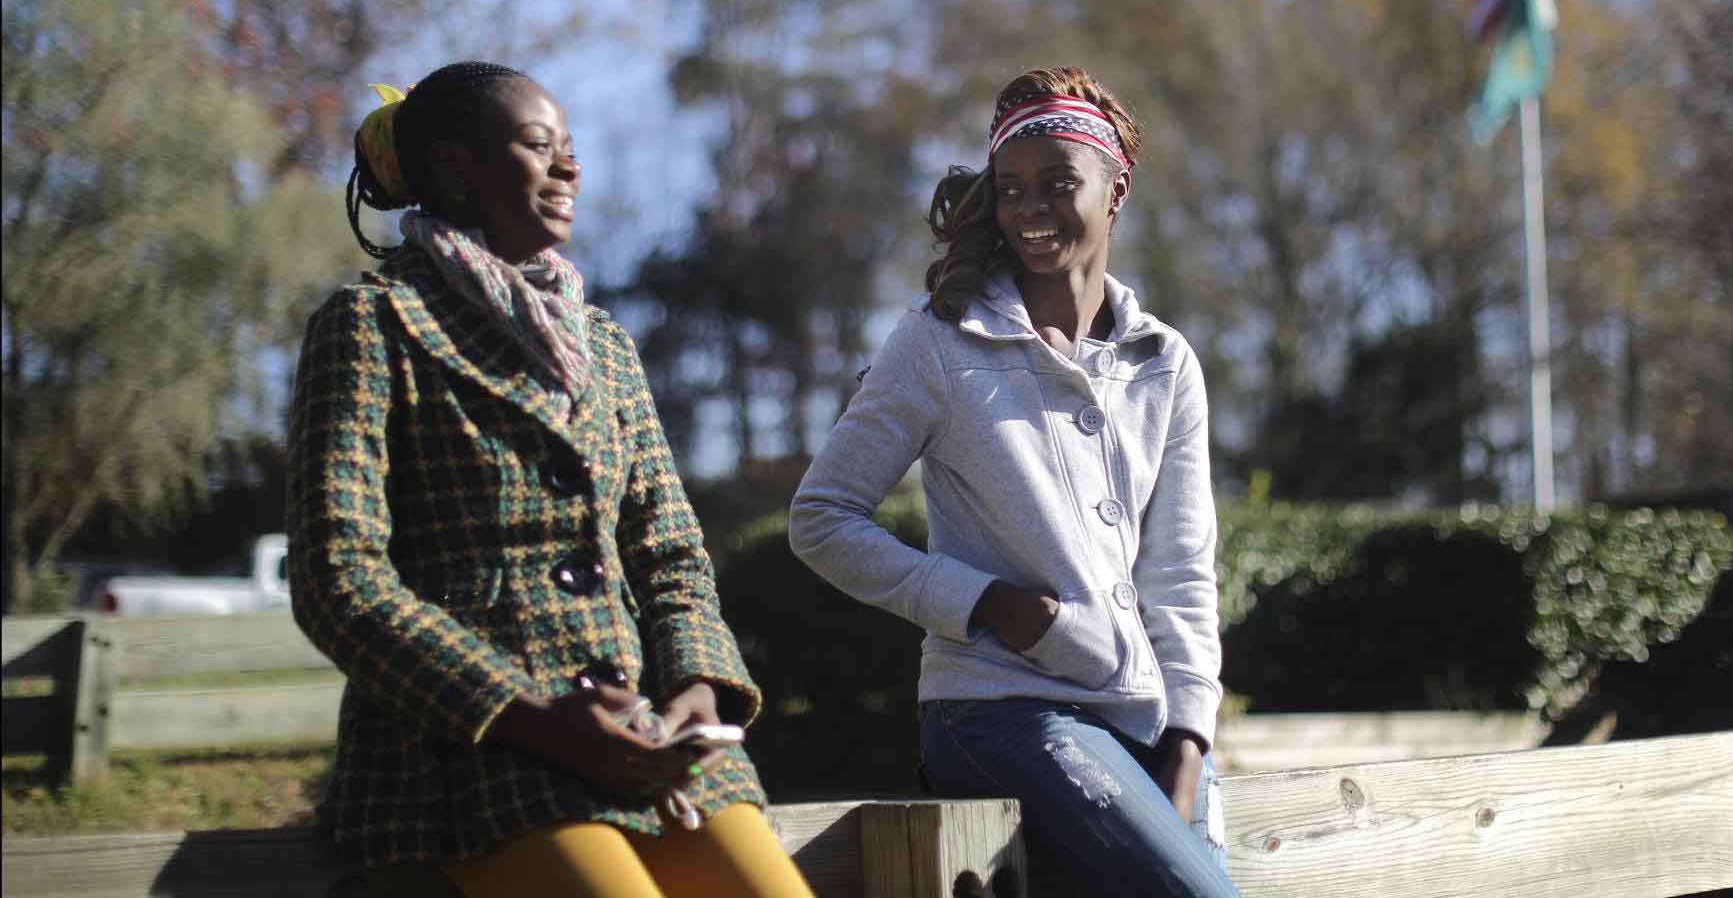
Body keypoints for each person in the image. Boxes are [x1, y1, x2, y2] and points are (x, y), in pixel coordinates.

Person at [288, 61, 814, 898]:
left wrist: (698, 690)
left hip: (649, 739)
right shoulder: (372, 324)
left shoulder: (603, 344)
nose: (570, 169)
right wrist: (530, 715)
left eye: (571, 150)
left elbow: (671, 555)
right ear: (458, 168)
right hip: (466, 751)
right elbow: (337, 580)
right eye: (541, 148)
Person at [789, 67, 1238, 896]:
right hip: (994, 711)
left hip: (1141, 714)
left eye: (1058, 183)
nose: (1030, 208)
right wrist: (985, 602)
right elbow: (822, 518)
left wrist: (1189, 735)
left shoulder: (1163, 361)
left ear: (1116, 190)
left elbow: (1179, 569)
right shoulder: (938, 344)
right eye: (1010, 188)